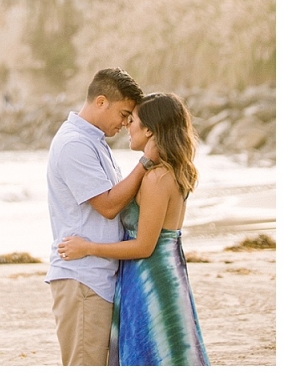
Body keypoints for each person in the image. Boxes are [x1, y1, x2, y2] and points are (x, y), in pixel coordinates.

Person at [58, 92, 210, 366]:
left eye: (133, 119)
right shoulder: (164, 171)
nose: (128, 124)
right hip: (153, 274)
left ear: (150, 129)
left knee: (154, 354)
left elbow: (144, 246)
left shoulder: (157, 178)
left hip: (152, 279)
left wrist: (88, 248)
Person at [46, 67, 157, 366]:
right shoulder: (74, 144)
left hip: (98, 277)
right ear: (100, 102)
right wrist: (146, 163)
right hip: (83, 279)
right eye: (123, 114)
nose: (126, 123)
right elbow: (108, 206)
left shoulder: (94, 142)